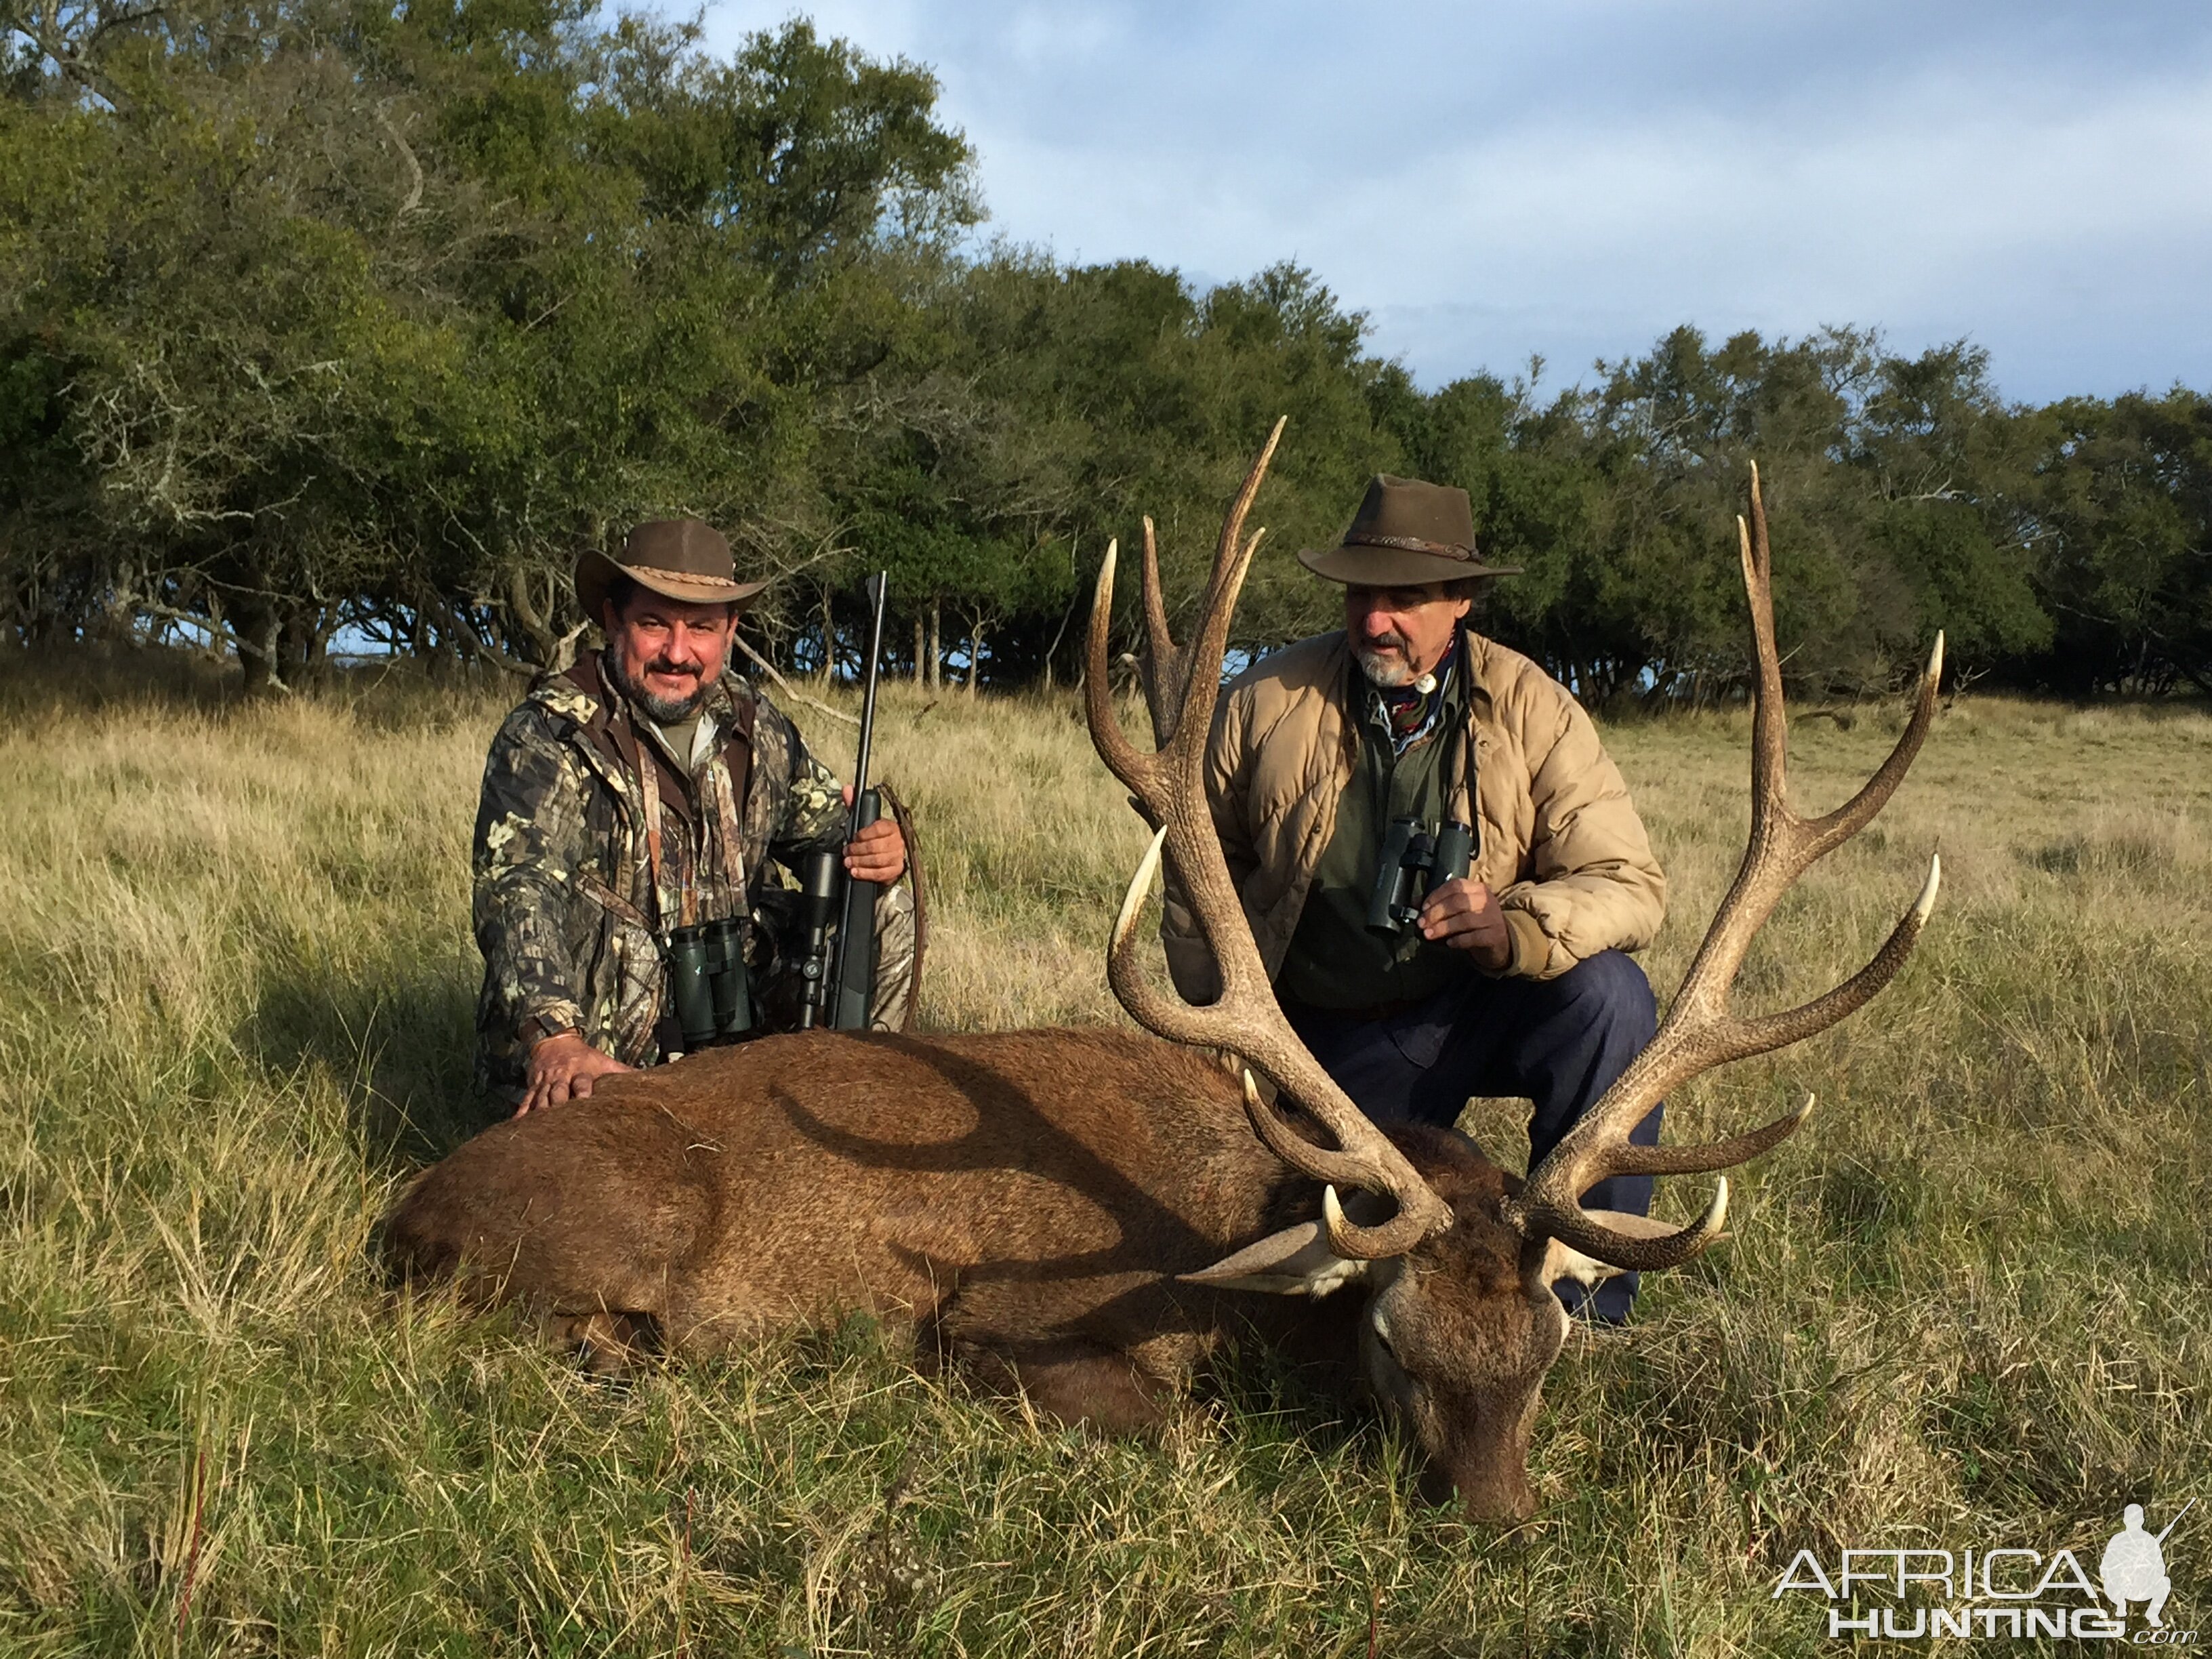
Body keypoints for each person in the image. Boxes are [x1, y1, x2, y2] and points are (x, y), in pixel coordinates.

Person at [1162, 474, 1668, 1322]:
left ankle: (1589, 1302)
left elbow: (1628, 883)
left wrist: (1518, 930)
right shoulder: (1264, 703)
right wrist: (1233, 1013)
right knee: (1318, 1266)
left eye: (1404, 599)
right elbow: (1193, 865)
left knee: (1611, 999)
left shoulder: (1531, 706)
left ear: (1462, 600)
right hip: (1331, 1037)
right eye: (1362, 593)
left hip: (1476, 1004)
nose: (1373, 619)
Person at [472, 518, 914, 1115]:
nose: (678, 654)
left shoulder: (757, 725)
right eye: (654, 623)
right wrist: (555, 1038)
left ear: (730, 631)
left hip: (734, 1031)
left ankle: (854, 1099)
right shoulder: (548, 735)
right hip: (602, 1053)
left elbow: (829, 840)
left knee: (882, 904)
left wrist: (881, 849)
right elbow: (516, 886)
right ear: (612, 619)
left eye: (701, 628)